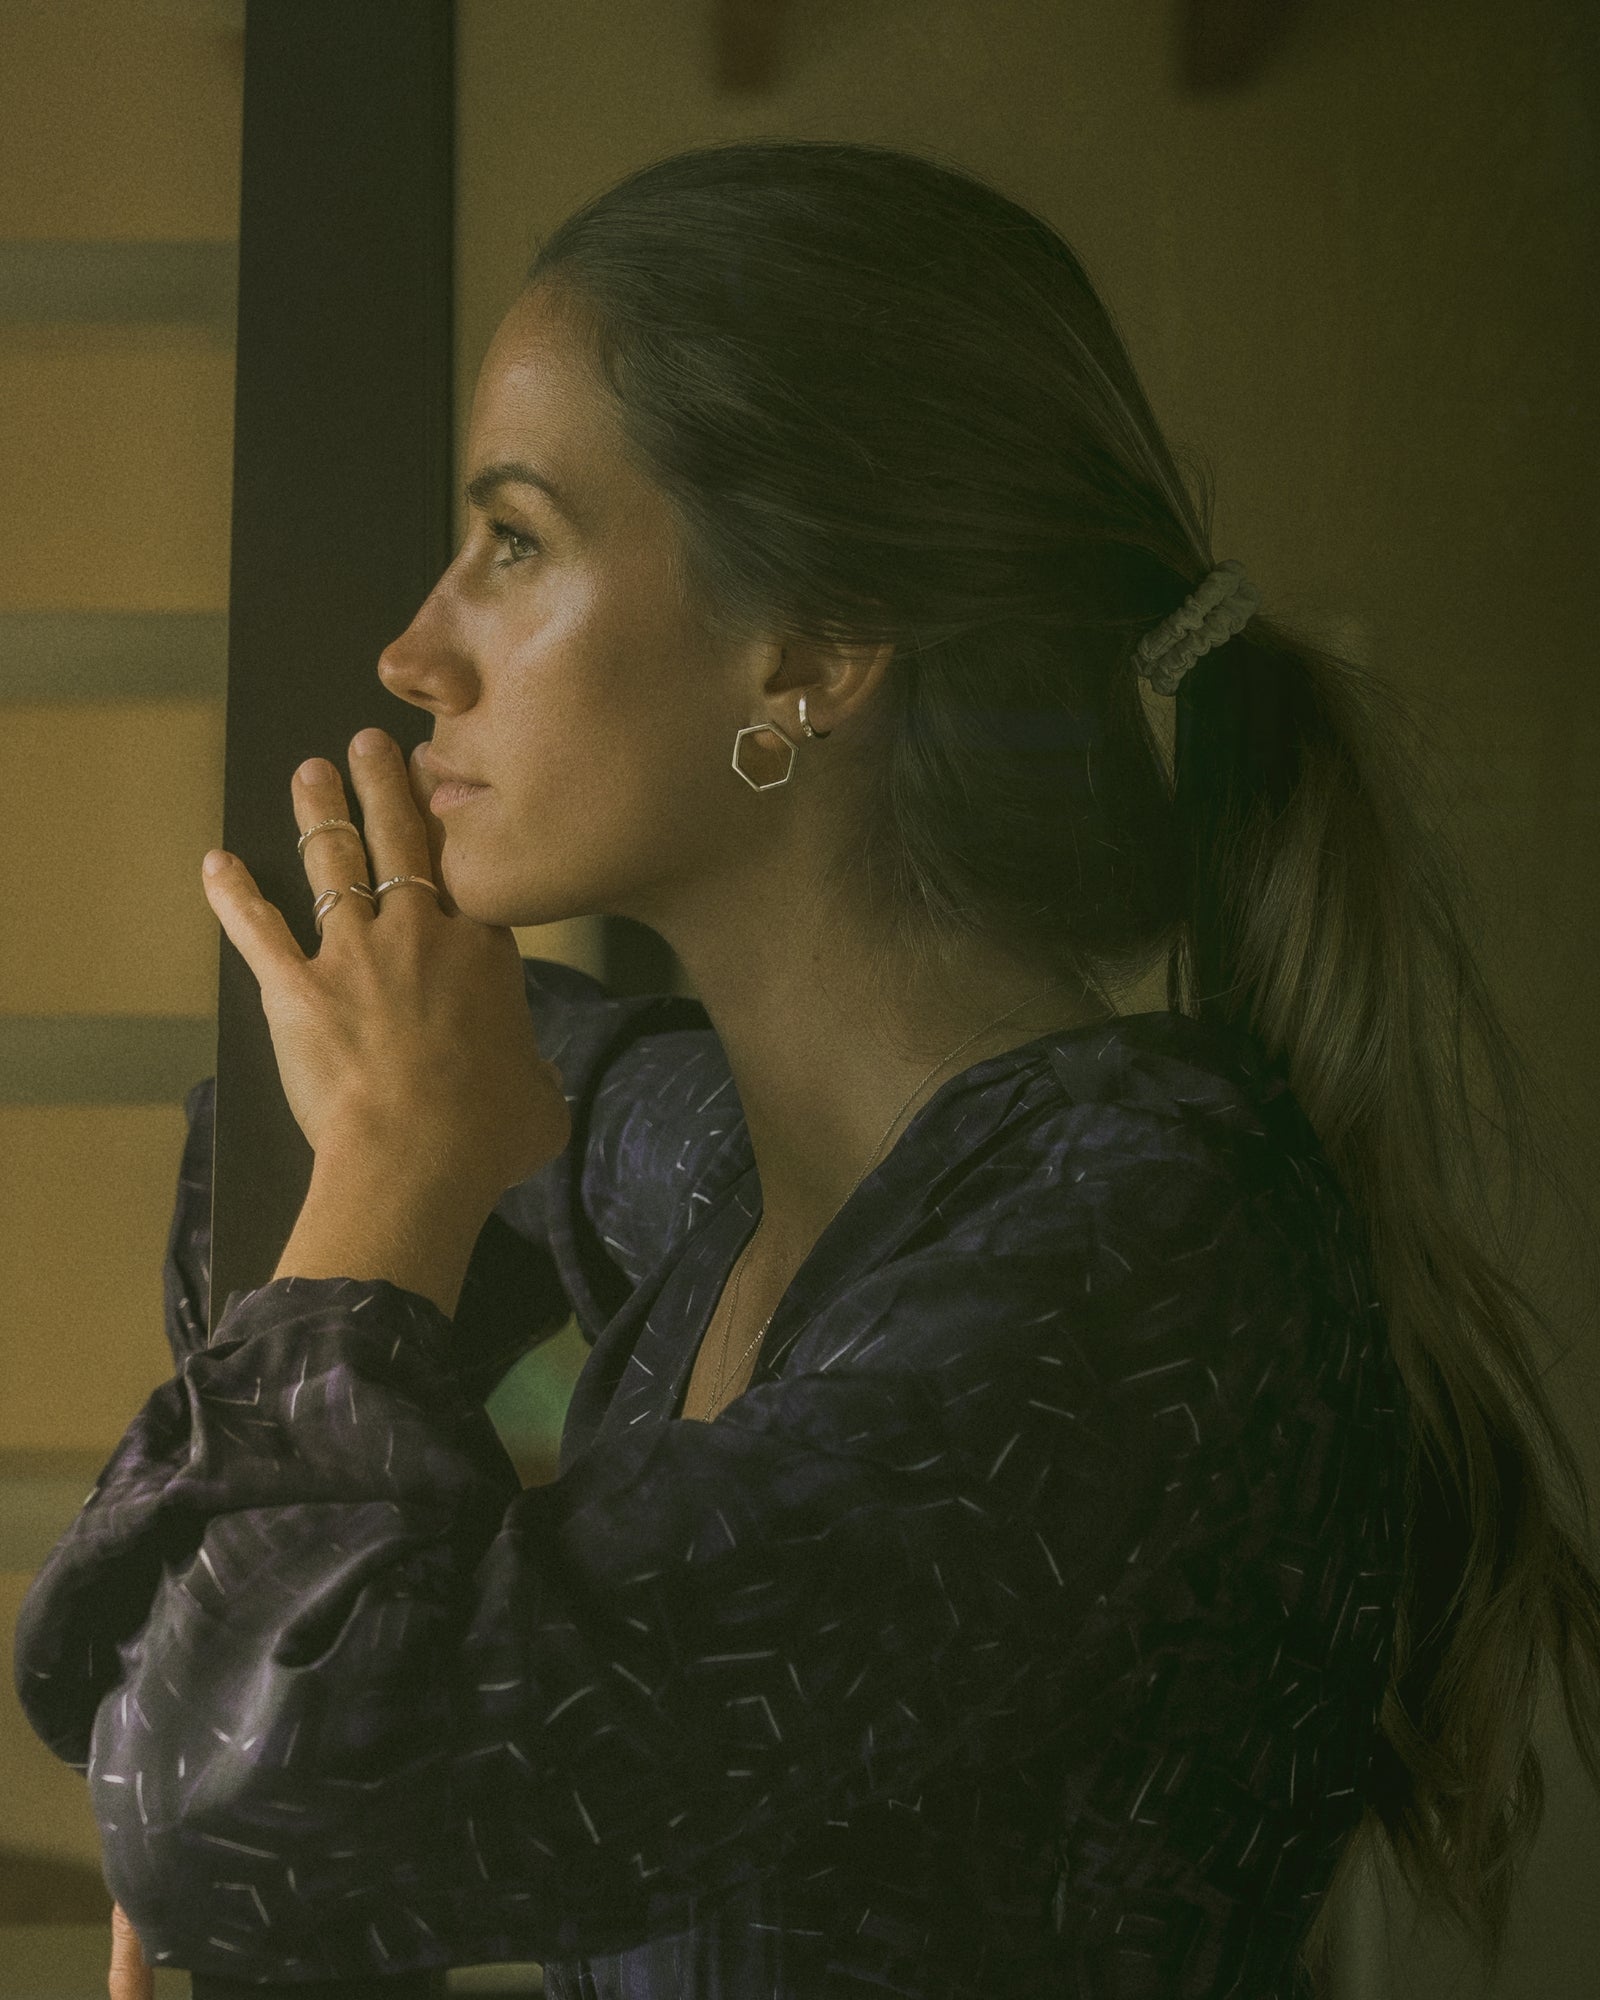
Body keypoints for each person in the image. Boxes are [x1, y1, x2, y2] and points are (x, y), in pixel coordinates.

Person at [15, 139, 1600, 2000]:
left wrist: (384, 1193)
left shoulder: (1146, 1244)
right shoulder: (734, 1166)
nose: (415, 648)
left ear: (815, 653)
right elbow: (277, 1157)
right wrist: (379, 1187)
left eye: (515, 541)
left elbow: (243, 1811)